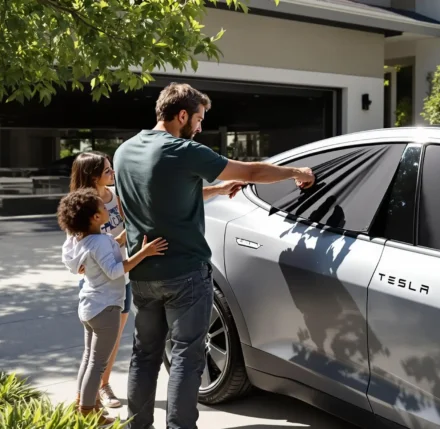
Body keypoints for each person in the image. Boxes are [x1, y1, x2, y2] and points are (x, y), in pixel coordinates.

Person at [114, 82, 315, 429]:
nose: (201, 126)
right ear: (182, 115)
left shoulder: (124, 152)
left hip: (144, 274)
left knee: (145, 357)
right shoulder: (182, 150)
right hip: (185, 275)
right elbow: (252, 171)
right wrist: (297, 172)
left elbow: (154, 198)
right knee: (185, 359)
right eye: (199, 118)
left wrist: (215, 190)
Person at [58, 188, 168, 426]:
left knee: (90, 359)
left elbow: (108, 248)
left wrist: (123, 238)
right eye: (102, 207)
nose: (107, 208)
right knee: (98, 364)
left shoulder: (85, 240)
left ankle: (85, 403)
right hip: (105, 308)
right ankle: (87, 411)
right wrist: (144, 253)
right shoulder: (99, 242)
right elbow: (116, 270)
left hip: (89, 307)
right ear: (96, 217)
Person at [69, 151, 131, 409]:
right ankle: (90, 398)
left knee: (113, 339)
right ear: (93, 175)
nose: (112, 174)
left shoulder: (117, 196)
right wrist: (78, 264)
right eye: (107, 170)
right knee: (97, 348)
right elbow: (71, 249)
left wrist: (126, 237)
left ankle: (98, 389)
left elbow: (131, 224)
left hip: (123, 278)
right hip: (101, 284)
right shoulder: (83, 205)